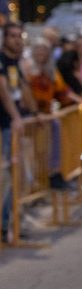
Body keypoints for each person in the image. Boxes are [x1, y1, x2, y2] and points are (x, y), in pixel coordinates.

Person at [0, 22, 34, 243]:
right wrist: (16, 117)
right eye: (12, 36)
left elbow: (21, 88)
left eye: (19, 36)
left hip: (13, 124)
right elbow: (3, 89)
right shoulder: (2, 60)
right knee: (7, 176)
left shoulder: (16, 62)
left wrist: (35, 112)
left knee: (17, 176)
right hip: (5, 124)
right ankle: (6, 224)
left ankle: (10, 222)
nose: (17, 40)